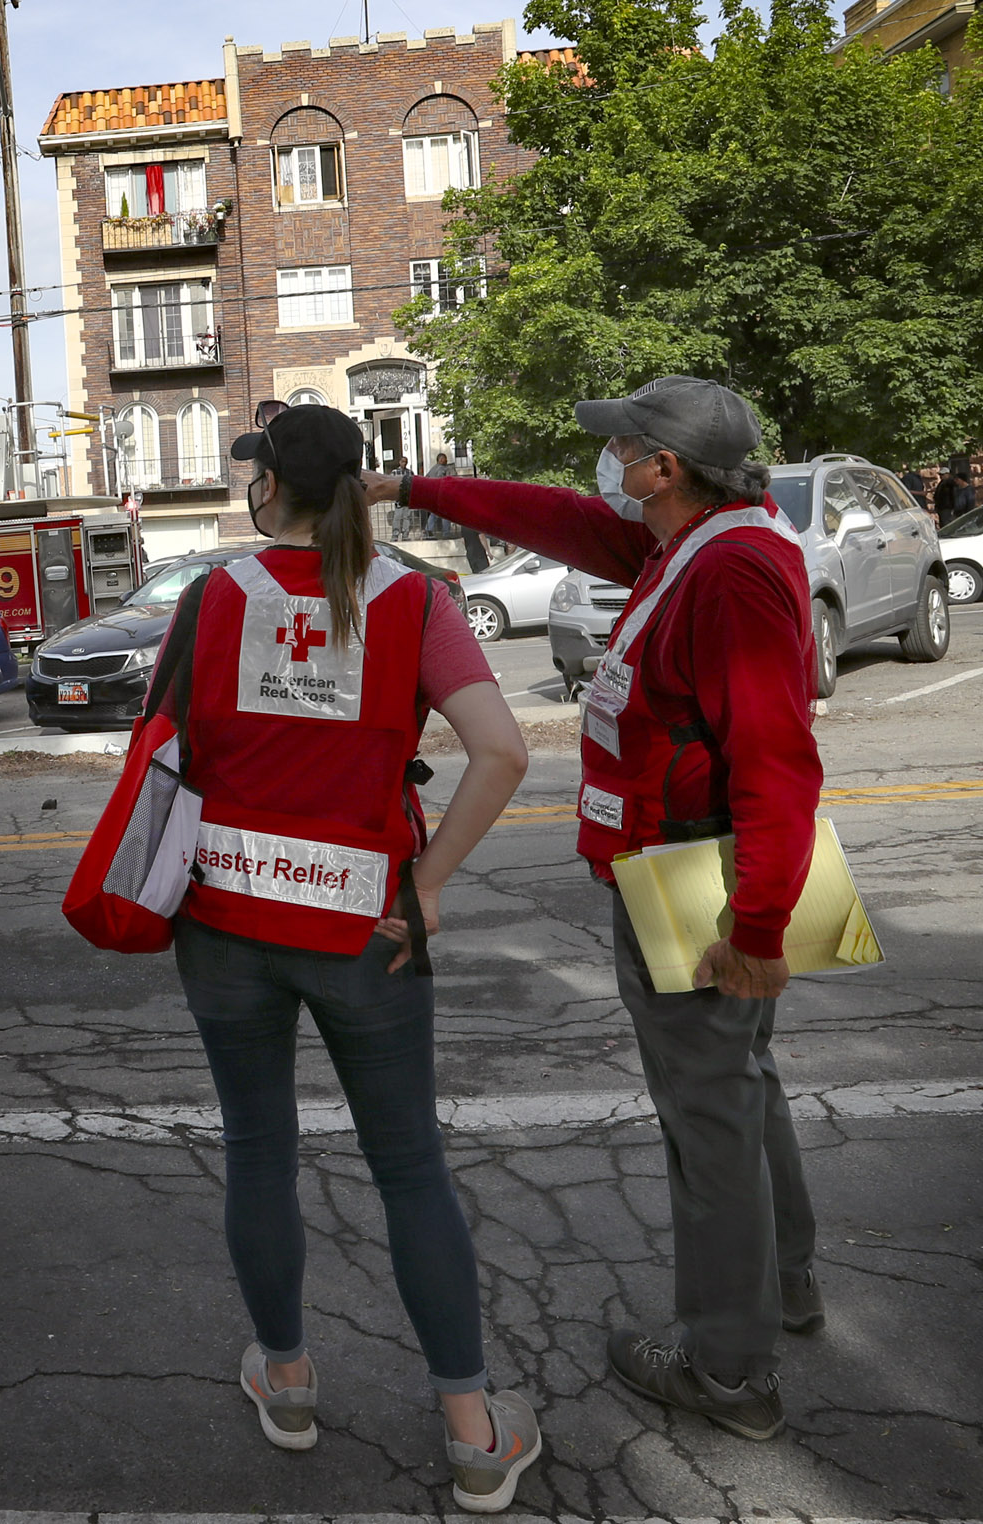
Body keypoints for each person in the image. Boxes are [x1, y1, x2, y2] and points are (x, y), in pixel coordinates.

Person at [366, 376, 823, 1442]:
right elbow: (557, 518)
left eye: (623, 449)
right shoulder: (690, 544)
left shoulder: (734, 569)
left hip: (697, 883)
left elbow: (776, 758)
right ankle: (783, 1286)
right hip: (692, 869)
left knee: (707, 1120)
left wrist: (754, 933)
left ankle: (727, 1368)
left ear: (666, 468)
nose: (609, 464)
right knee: (742, 1089)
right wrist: (413, 484)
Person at [161, 404, 539, 1512]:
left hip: (226, 922)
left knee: (258, 1149)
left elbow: (164, 748)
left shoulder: (211, 597)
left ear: (267, 488)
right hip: (361, 925)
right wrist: (422, 892)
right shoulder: (416, 599)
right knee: (409, 1166)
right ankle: (473, 1430)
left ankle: (285, 1384)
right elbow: (503, 753)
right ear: (359, 490)